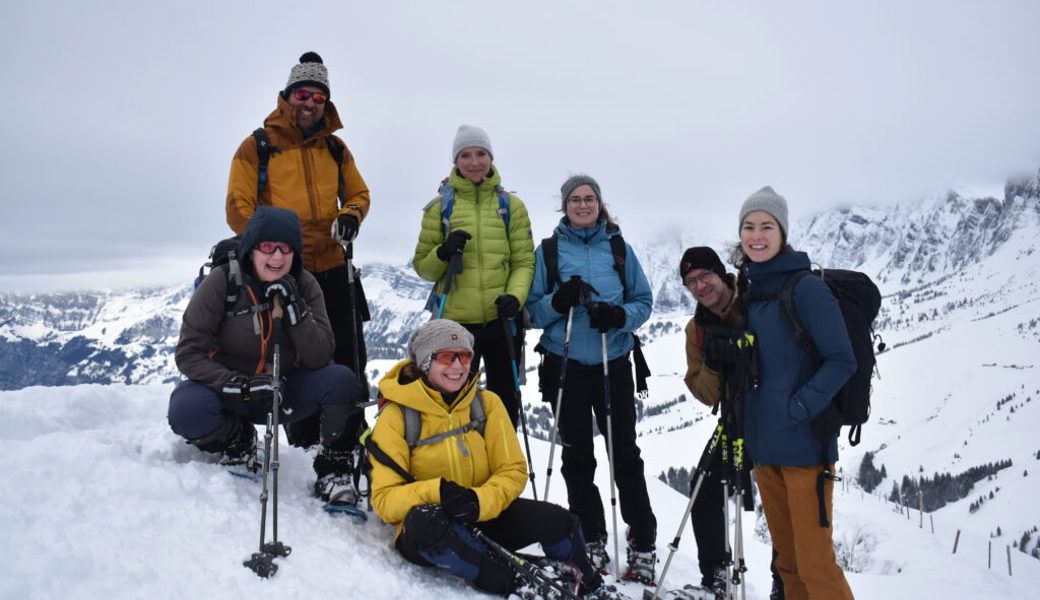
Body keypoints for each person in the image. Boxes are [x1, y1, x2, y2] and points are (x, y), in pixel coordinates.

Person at [367, 319, 626, 600]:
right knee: (425, 521)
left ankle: (590, 587)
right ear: (425, 362)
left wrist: (478, 501)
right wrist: (438, 492)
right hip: (431, 528)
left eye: (464, 356)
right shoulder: (397, 416)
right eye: (446, 356)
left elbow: (512, 470)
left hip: (483, 514)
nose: (458, 365)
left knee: (560, 522)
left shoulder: (486, 404)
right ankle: (519, 581)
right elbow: (384, 500)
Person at [168, 206, 365, 511]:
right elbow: (189, 353)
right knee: (187, 408)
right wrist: (239, 385)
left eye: (286, 248)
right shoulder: (223, 282)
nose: (277, 256)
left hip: (284, 391)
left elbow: (320, 357)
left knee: (342, 381)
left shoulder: (305, 284)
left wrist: (295, 310)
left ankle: (334, 470)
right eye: (267, 247)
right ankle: (238, 440)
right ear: (251, 249)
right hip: (232, 392)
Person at [226, 51, 371, 449]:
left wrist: (351, 215)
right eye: (303, 95)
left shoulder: (336, 149)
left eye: (318, 97)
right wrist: (269, 247)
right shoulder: (257, 146)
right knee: (296, 357)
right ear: (287, 96)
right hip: (286, 272)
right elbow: (237, 207)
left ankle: (348, 445)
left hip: (334, 266)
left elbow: (358, 193)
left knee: (348, 357)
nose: (310, 104)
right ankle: (305, 444)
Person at [526, 175, 658, 583]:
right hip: (564, 364)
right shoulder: (548, 251)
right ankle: (591, 536)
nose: (583, 205)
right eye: (575, 199)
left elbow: (643, 302)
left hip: (612, 362)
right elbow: (531, 313)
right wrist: (558, 301)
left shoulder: (619, 249)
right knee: (577, 457)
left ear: (600, 205)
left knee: (625, 456)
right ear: (564, 206)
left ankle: (643, 542)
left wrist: (618, 316)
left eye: (589, 199)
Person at [732, 186, 856, 600]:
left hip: (805, 450)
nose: (757, 236)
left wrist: (797, 409)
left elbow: (841, 360)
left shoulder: (805, 288)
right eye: (749, 227)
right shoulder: (752, 291)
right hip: (766, 450)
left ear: (782, 233)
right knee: (787, 563)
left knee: (815, 565)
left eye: (767, 226)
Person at [411, 124, 535, 429]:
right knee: (454, 402)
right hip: (455, 324)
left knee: (504, 402)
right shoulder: (439, 208)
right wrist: (443, 252)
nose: (474, 162)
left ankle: (502, 454)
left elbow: (523, 261)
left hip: (501, 319)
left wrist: (515, 297)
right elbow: (423, 267)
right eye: (466, 155)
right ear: (456, 161)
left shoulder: (511, 206)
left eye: (481, 153)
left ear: (491, 158)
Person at [679, 246, 785, 600]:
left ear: (721, 274)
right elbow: (705, 393)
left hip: (776, 416)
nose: (700, 286)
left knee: (781, 499)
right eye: (691, 281)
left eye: (705, 275)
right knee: (704, 491)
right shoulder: (697, 329)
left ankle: (784, 583)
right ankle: (716, 578)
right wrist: (713, 362)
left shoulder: (756, 301)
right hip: (735, 417)